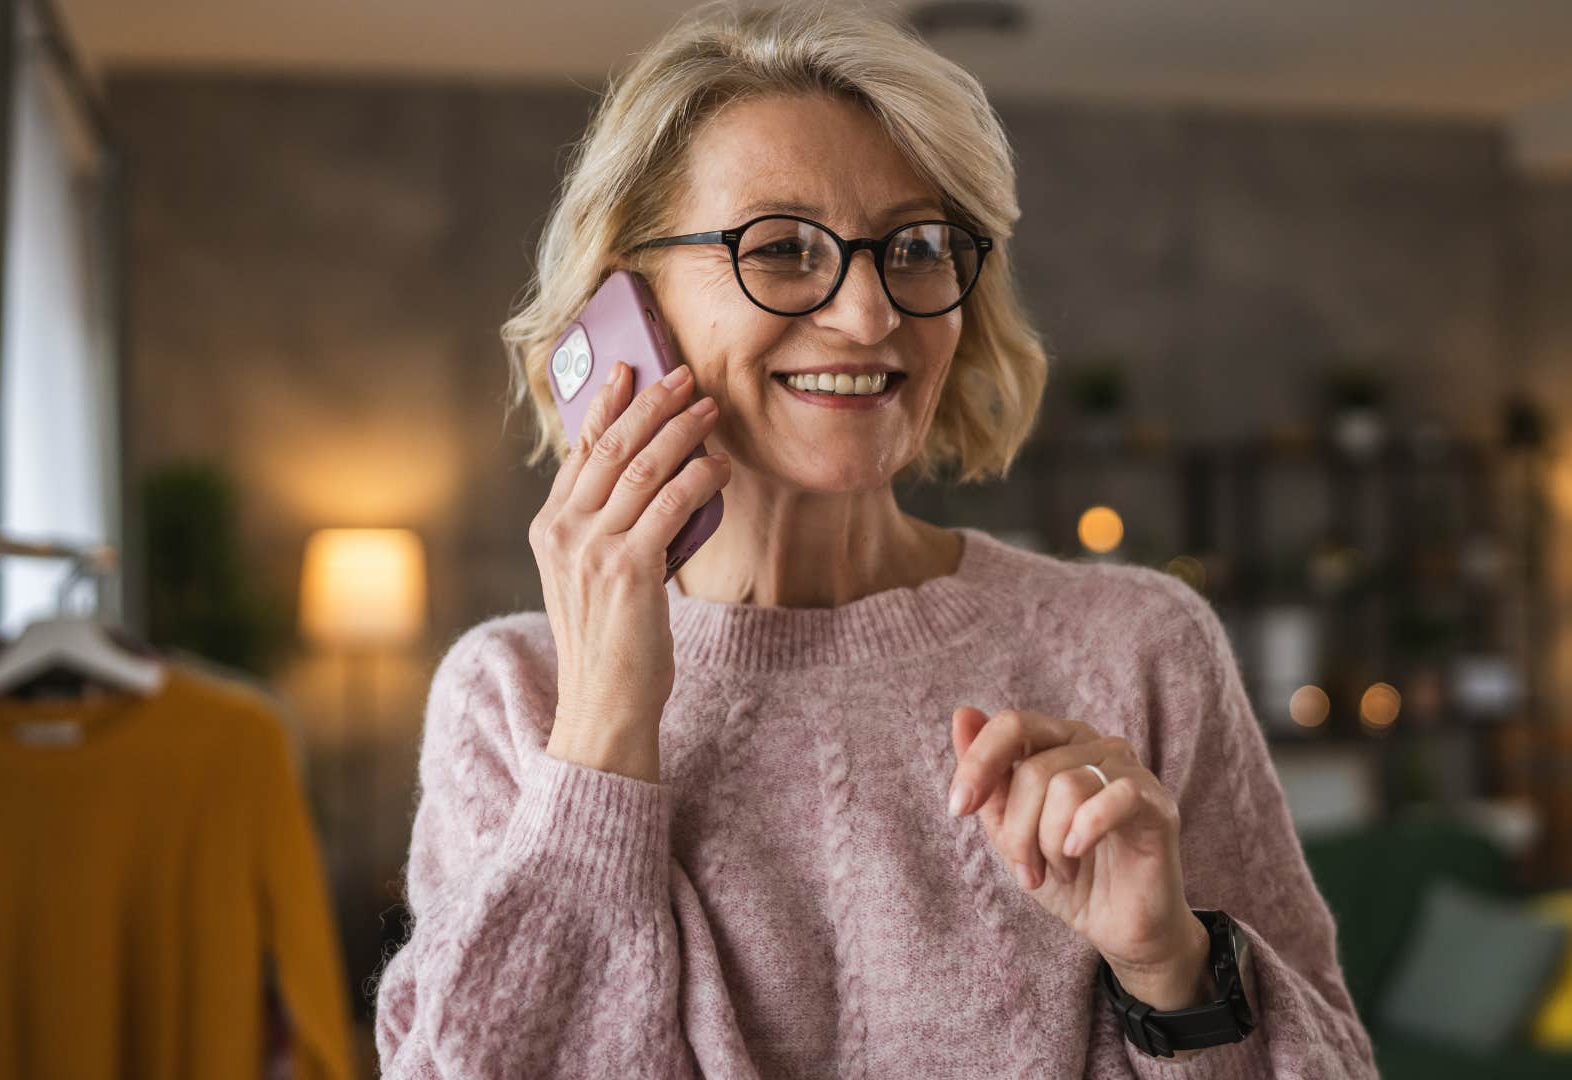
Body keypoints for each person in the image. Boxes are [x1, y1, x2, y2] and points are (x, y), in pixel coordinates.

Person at [373, 2, 1378, 1076]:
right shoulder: (515, 697)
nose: (867, 316)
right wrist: (604, 738)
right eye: (784, 249)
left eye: (915, 247)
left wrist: (1169, 968)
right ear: (631, 296)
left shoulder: (1138, 648)